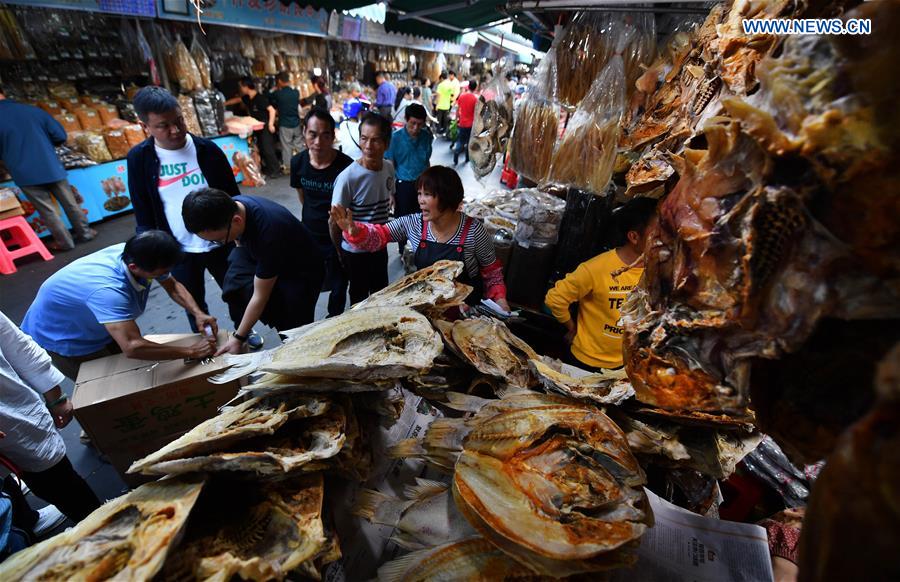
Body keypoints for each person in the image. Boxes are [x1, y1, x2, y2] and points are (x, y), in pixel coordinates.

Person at [128, 86, 250, 338]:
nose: (175, 130)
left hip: (220, 243)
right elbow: (143, 209)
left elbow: (233, 197)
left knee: (237, 292)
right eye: (163, 126)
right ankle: (206, 339)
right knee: (192, 302)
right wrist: (150, 251)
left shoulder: (208, 151)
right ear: (145, 126)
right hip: (177, 249)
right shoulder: (139, 159)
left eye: (179, 120)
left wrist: (240, 239)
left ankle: (243, 333)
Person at [20, 231, 218, 381]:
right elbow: (133, 347)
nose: (165, 275)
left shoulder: (140, 253)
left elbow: (172, 285)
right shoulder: (108, 292)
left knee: (133, 376)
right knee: (106, 390)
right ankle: (95, 434)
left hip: (96, 323)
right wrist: (191, 351)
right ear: (134, 267)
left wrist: (198, 313)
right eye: (161, 272)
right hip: (64, 337)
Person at [330, 165, 509, 311]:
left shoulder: (474, 231)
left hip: (467, 310)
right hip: (430, 307)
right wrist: (355, 231)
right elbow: (380, 235)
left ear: (447, 197)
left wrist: (500, 300)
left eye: (428, 194)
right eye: (419, 193)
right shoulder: (414, 224)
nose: (420, 200)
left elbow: (492, 272)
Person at [182, 189, 325, 354]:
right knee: (234, 283)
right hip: (267, 256)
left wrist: (239, 338)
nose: (221, 243)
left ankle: (302, 354)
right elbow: (238, 242)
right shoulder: (232, 205)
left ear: (237, 220)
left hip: (300, 272)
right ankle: (246, 328)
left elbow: (260, 296)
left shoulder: (269, 232)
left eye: (220, 240)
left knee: (293, 328)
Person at [0, 311, 101, 526]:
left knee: (54, 479)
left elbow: (15, 344)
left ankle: (101, 528)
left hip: (10, 415)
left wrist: (56, 397)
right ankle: (24, 520)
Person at [544, 198, 658, 371]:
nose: (664, 239)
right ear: (634, 237)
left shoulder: (655, 271)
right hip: (584, 362)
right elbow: (555, 299)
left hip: (621, 365)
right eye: (657, 234)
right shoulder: (596, 268)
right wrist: (573, 328)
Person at [0, 87, 95, 252]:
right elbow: (60, 136)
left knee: (47, 210)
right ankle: (85, 233)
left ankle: (65, 243)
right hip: (50, 165)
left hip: (23, 172)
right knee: (70, 202)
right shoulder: (33, 111)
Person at [290, 108, 353, 317]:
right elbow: (302, 196)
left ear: (333, 136)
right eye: (313, 134)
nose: (318, 141)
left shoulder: (345, 166)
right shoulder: (297, 163)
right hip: (309, 235)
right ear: (304, 133)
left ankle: (333, 319)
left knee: (338, 284)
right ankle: (306, 325)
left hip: (338, 237)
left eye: (325, 135)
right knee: (308, 284)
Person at [329, 113, 395, 305]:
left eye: (375, 140)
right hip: (355, 252)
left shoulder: (389, 168)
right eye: (364, 139)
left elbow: (389, 195)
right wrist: (340, 251)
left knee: (381, 294)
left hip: (379, 246)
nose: (367, 146)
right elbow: (334, 221)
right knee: (359, 299)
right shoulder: (348, 178)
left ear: (386, 143)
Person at [384, 104, 432, 261]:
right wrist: (390, 192)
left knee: (422, 217)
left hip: (423, 185)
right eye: (413, 123)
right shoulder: (395, 139)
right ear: (406, 120)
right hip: (402, 185)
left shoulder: (426, 137)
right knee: (403, 220)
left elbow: (427, 161)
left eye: (420, 124)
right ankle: (402, 250)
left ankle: (419, 247)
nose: (416, 128)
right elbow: (390, 166)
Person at [235, 77, 279, 177]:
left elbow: (271, 110)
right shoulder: (247, 98)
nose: (240, 88)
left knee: (268, 149)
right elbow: (237, 100)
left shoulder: (260, 98)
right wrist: (224, 103)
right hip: (256, 128)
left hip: (265, 126)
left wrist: (271, 124)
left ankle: (276, 170)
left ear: (246, 86)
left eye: (241, 86)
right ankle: (268, 169)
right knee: (262, 149)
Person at [270, 72, 302, 174]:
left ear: (279, 81)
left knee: (286, 147)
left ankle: (288, 168)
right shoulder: (296, 92)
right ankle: (304, 163)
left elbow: (269, 97)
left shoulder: (278, 94)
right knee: (299, 145)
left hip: (285, 124)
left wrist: (274, 90)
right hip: (296, 122)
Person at [454, 80, 478, 166]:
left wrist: (457, 118)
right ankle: (467, 158)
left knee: (460, 140)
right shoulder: (475, 98)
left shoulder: (462, 96)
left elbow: (457, 109)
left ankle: (457, 151)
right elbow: (476, 113)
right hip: (471, 124)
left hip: (462, 123)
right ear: (475, 88)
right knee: (469, 142)